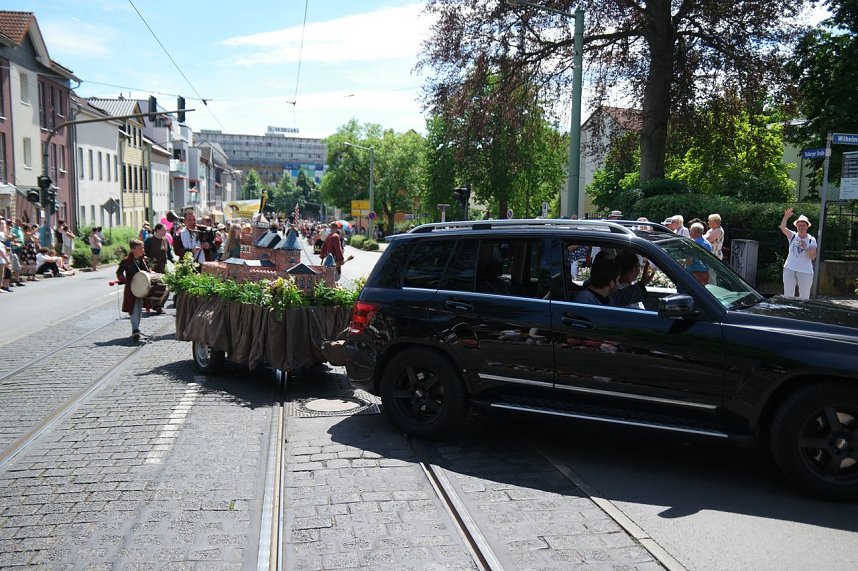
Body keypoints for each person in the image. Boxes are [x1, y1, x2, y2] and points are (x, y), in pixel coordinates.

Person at [779, 207, 817, 299]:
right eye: (799, 225)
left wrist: (806, 248)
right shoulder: (792, 236)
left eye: (803, 225)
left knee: (804, 296)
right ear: (796, 226)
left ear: (807, 226)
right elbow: (783, 228)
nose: (801, 227)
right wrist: (786, 217)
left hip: (805, 271)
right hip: (790, 268)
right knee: (788, 295)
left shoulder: (811, 239)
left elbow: (813, 257)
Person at [116, 239, 150, 341]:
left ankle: (136, 329)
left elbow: (146, 272)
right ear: (134, 249)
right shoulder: (126, 261)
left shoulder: (142, 260)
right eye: (141, 248)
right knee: (133, 308)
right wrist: (124, 280)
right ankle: (135, 329)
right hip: (131, 288)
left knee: (139, 308)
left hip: (141, 288)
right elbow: (119, 272)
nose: (143, 250)